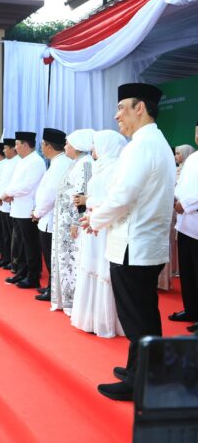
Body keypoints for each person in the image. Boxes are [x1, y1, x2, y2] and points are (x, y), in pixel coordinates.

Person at [82, 82, 176, 401]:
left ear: (140, 107)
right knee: (144, 314)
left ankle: (143, 383)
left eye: (122, 107)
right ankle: (140, 369)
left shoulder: (140, 145)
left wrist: (95, 219)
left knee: (138, 319)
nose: (116, 114)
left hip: (132, 246)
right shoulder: (154, 142)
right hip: (143, 244)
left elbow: (123, 196)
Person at [70, 130, 127, 338]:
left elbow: (112, 200)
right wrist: (88, 201)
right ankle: (92, 316)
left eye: (96, 144)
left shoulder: (114, 168)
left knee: (103, 269)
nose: (93, 149)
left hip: (104, 225)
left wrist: (88, 201)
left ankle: (105, 320)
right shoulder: (101, 166)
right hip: (93, 222)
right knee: (91, 266)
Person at [51, 129, 94, 314]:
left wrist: (77, 222)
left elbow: (82, 195)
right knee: (64, 260)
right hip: (64, 222)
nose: (65, 146)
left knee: (73, 261)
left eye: (68, 143)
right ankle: (65, 299)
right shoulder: (76, 162)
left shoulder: (85, 163)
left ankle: (74, 302)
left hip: (73, 225)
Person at [31, 128, 72, 301]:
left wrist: (37, 212)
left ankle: (53, 290)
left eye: (42, 144)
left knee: (51, 258)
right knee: (51, 258)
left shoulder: (60, 164)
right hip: (48, 217)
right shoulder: (59, 162)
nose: (41, 147)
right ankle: (51, 287)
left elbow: (50, 194)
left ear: (48, 146)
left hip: (50, 219)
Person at [4, 131, 46, 289]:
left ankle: (33, 276)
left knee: (30, 245)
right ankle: (22, 272)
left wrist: (8, 193)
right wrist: (9, 193)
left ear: (26, 145)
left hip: (28, 209)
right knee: (21, 244)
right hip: (18, 208)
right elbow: (14, 183)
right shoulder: (23, 161)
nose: (15, 148)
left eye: (17, 144)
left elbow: (26, 186)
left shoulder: (36, 161)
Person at [171, 133, 198, 332]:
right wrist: (175, 199)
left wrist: (186, 203)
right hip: (185, 223)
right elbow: (182, 185)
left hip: (194, 216)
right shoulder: (193, 158)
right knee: (188, 271)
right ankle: (191, 310)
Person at [0, 138, 20, 269]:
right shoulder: (6, 163)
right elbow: (2, 182)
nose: (3, 150)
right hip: (2, 204)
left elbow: (13, 184)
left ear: (12, 149)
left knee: (13, 236)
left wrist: (3, 196)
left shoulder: (18, 162)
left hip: (11, 203)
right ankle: (6, 257)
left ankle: (13, 261)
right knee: (5, 235)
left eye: (5, 148)